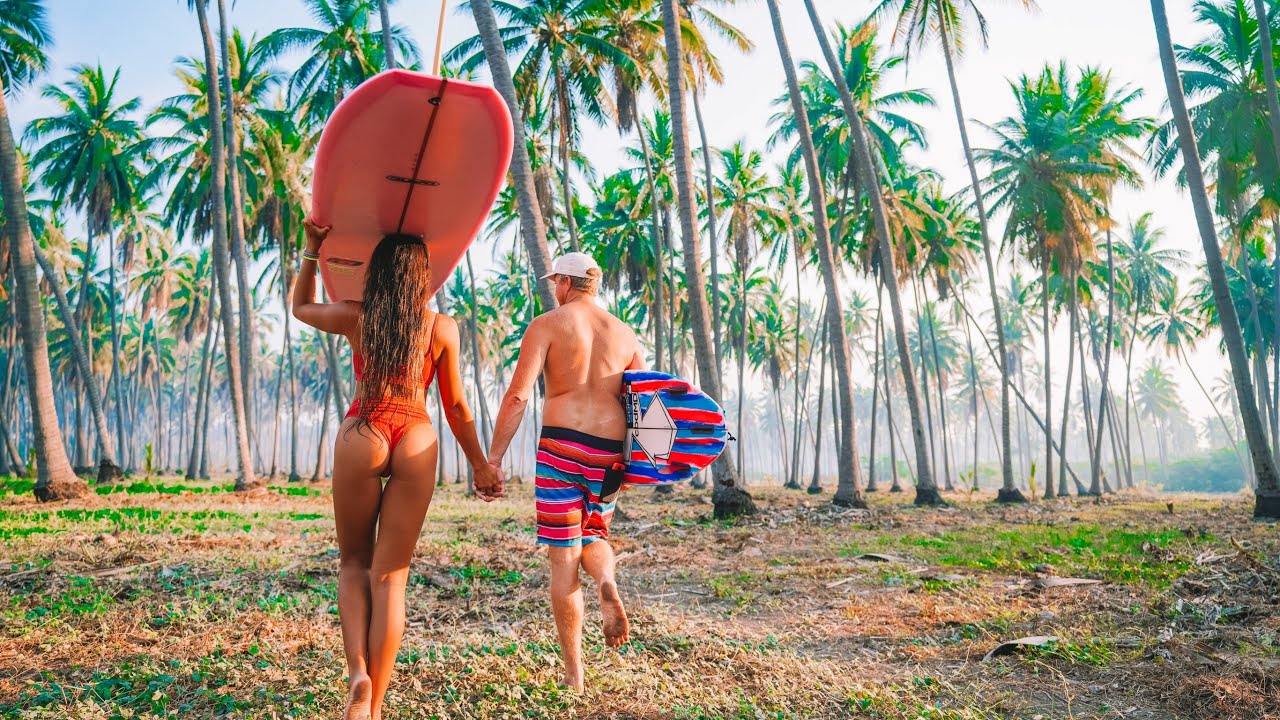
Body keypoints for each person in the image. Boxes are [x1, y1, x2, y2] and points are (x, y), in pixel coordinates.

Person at [292, 218, 501, 720]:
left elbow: (300, 308)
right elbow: (456, 407)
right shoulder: (441, 327)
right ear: (423, 278)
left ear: (378, 272)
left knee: (353, 565)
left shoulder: (357, 317)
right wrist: (481, 466)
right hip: (416, 434)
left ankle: (357, 676)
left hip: (363, 428)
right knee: (391, 577)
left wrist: (313, 248)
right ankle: (376, 707)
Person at [485, 251, 644, 690]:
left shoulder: (548, 324)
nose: (553, 288)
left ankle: (575, 676)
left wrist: (494, 459)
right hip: (610, 451)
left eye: (555, 280)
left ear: (565, 282)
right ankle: (607, 579)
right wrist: (632, 465)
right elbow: (641, 408)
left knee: (563, 559)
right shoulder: (627, 335)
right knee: (595, 535)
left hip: (561, 446)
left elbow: (518, 396)